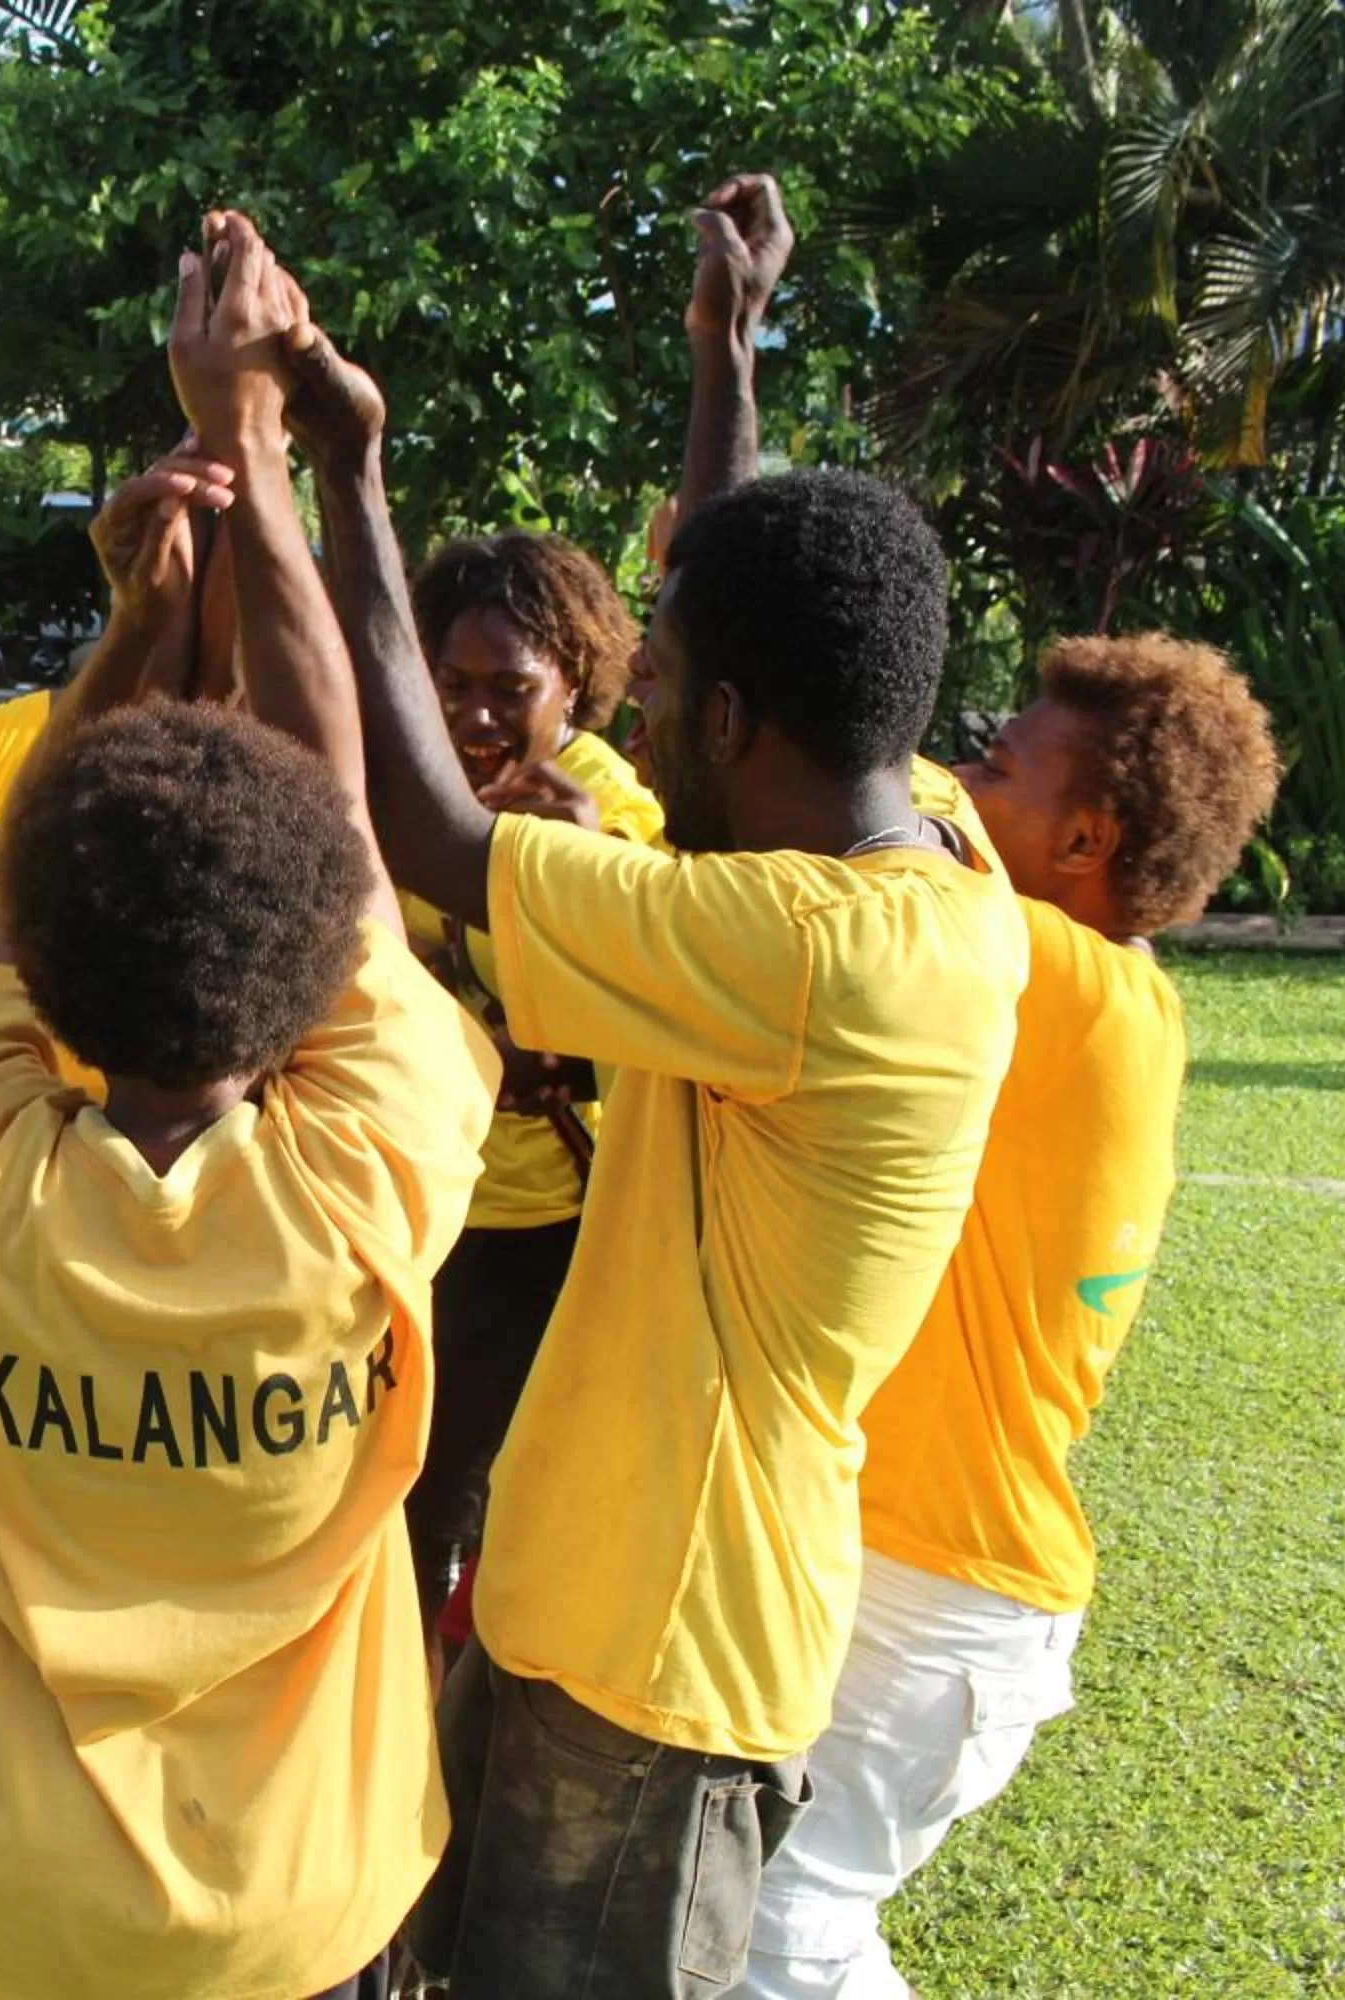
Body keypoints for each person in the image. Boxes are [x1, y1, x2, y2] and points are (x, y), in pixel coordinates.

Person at [294, 173, 1031, 1996]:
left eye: (665, 682)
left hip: (657, 1670)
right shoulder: (919, 843)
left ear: (725, 729)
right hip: (591, 1606)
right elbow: (739, 575)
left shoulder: (806, 950)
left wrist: (352, 471)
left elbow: (432, 832)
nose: (636, 704)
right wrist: (727, 348)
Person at [0, 213, 496, 2000]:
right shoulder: (369, 1171)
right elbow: (348, 807)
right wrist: (258, 435)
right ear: (305, 976)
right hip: (291, 1921)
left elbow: (17, 865)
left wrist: (145, 610)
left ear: (53, 986)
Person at [733, 635, 1279, 2000]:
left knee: (770, 1946)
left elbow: (860, 788)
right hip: (931, 1587)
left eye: (999, 763)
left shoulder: (1067, 987)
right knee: (773, 1933)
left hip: (937, 1608)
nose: (965, 778)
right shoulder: (1084, 997)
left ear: (1087, 835)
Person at [396, 529, 661, 1633]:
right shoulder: (404, 773)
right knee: (396, 1496)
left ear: (576, 681)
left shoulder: (605, 797)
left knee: (477, 1503)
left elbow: (657, 952)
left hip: (546, 1216)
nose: (475, 716)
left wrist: (591, 859)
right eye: (451, 684)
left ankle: (453, 1741)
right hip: (409, 1196)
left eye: (512, 688)